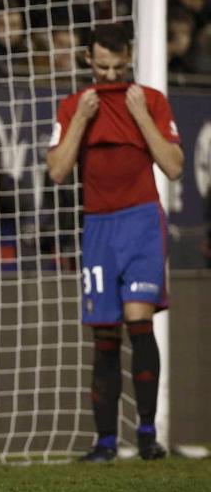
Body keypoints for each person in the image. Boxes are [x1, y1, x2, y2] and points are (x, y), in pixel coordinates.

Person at [46, 23, 183, 463]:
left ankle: (146, 433)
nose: (109, 76)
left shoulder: (152, 101)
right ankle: (105, 441)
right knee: (105, 334)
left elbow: (175, 166)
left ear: (129, 60)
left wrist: (141, 115)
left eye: (117, 68)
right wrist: (81, 120)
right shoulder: (73, 106)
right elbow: (57, 171)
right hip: (99, 226)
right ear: (89, 60)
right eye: (102, 67)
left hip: (141, 221)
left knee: (138, 319)